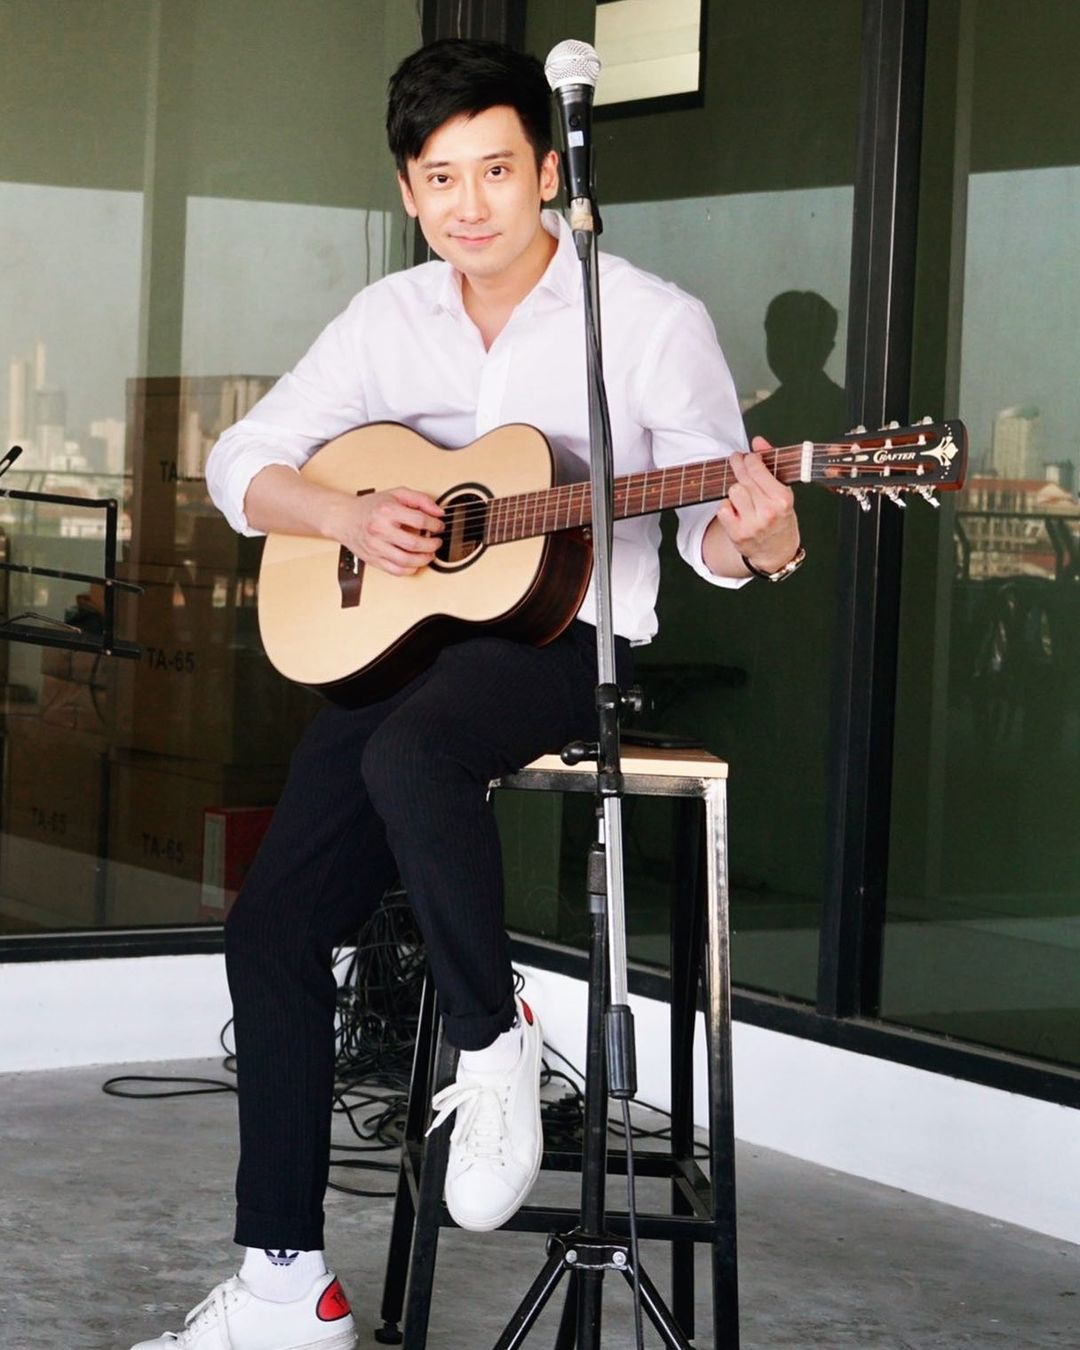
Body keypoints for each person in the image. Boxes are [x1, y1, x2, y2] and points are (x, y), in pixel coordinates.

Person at [129, 37, 802, 1350]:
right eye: (441, 178)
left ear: (549, 172)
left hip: (564, 644)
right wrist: (345, 512)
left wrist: (764, 538)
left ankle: (496, 1052)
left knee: (414, 756)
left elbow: (715, 536)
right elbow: (245, 461)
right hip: (404, 648)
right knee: (272, 926)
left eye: (496, 169)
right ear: (409, 192)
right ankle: (287, 1284)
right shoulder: (387, 320)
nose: (470, 202)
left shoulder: (646, 322)